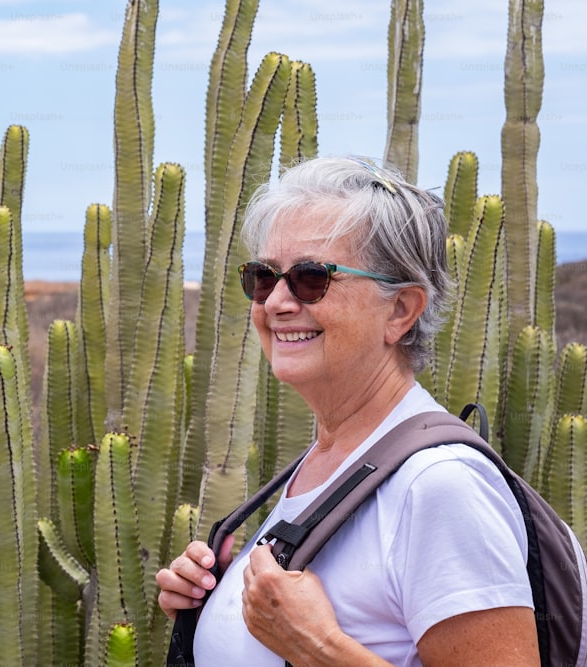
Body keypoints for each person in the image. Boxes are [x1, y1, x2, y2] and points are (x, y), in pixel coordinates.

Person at [155, 156, 538, 666]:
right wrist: (214, 603)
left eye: (311, 278)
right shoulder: (329, 462)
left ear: (400, 310)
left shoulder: (439, 485)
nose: (275, 303)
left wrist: (318, 648)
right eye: (263, 278)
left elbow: (306, 632)